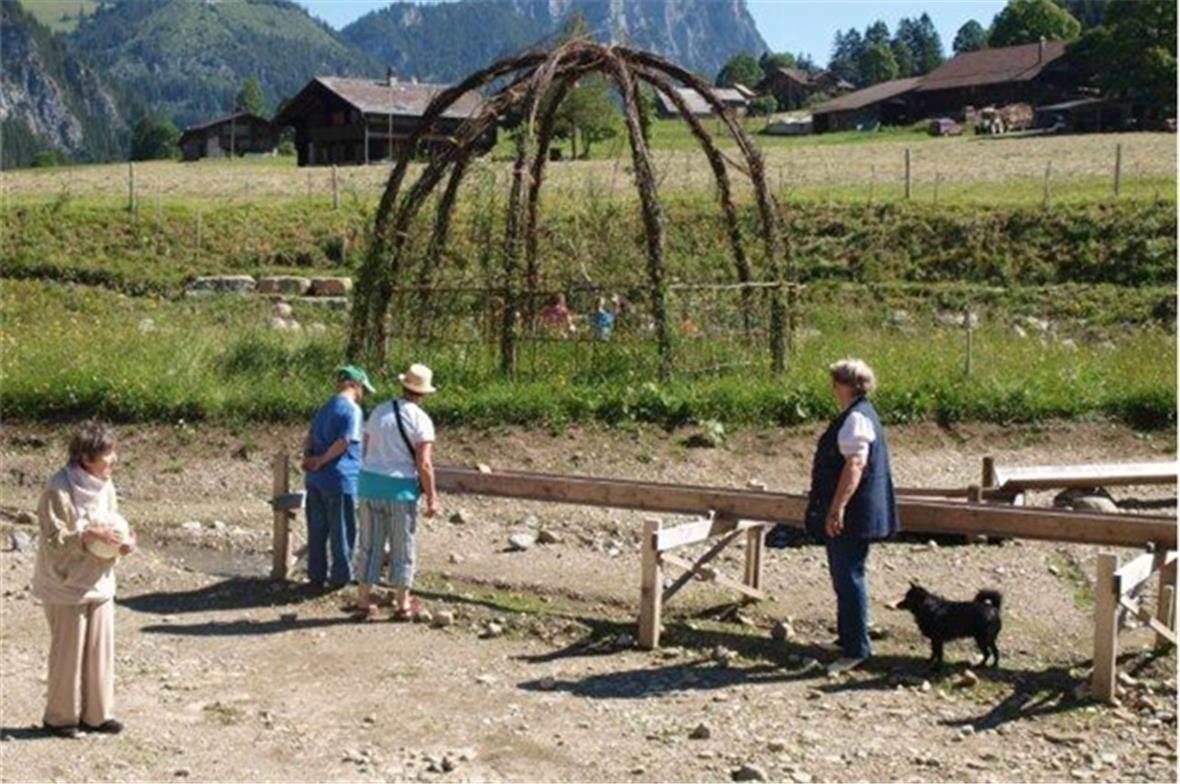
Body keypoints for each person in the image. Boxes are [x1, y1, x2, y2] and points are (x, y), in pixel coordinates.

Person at [33, 421, 135, 738]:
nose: (113, 459)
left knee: (99, 652)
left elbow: (115, 524)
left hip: (100, 580)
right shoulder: (58, 489)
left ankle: (97, 715)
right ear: (86, 457)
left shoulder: (106, 485)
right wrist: (88, 534)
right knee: (68, 653)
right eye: (106, 454)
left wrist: (124, 543)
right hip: (64, 583)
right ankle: (59, 718)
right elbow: (54, 539)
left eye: (113, 452)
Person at [805, 358, 898, 674]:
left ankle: (857, 647)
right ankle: (848, 637)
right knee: (844, 575)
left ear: (846, 385)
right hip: (856, 510)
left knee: (849, 575)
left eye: (836, 381)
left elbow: (854, 466)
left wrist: (837, 507)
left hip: (854, 513)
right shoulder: (861, 414)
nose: (833, 387)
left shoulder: (856, 419)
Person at [353, 363, 439, 621]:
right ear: (423, 393)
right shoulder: (421, 419)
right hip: (400, 490)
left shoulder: (379, 411)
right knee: (403, 546)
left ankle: (363, 600)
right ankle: (403, 604)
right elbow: (423, 464)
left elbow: (366, 450)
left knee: (370, 545)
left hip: (369, 485)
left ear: (403, 386)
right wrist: (432, 496)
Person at [301, 365, 374, 590]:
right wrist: (323, 460)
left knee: (317, 529)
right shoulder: (352, 410)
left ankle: (316, 574)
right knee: (342, 529)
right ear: (355, 385)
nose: (363, 395)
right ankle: (341, 576)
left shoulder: (324, 408)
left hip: (315, 479)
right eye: (363, 389)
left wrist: (310, 460)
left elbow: (309, 438)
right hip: (340, 478)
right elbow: (345, 441)